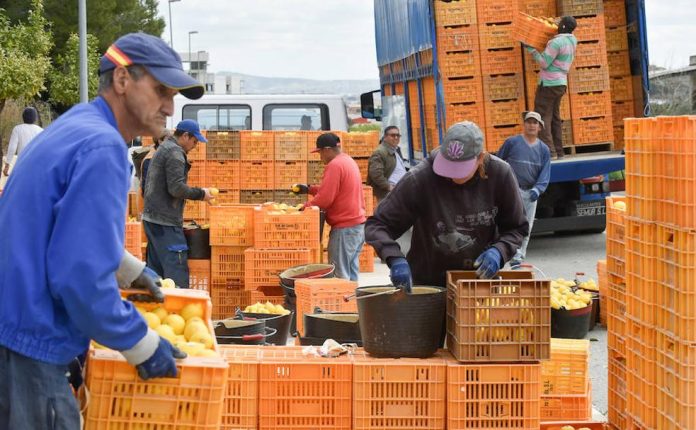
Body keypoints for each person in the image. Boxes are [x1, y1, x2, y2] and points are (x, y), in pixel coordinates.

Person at [0, 32, 205, 429]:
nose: (169, 105)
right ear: (122, 80)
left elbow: (60, 228)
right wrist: (140, 344)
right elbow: (80, 275)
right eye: (161, 89)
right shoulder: (103, 148)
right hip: (31, 340)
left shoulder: (77, 125)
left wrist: (125, 267)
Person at [365, 121, 528, 290]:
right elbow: (378, 225)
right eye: (449, 166)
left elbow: (517, 227)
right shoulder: (421, 178)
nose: (452, 176)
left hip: (479, 284)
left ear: (480, 158)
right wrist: (394, 257)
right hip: (428, 284)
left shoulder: (500, 174)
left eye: (460, 169)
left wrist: (500, 251)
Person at [142, 119, 213, 288]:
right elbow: (176, 188)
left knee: (157, 273)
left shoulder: (164, 148)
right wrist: (201, 194)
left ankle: (158, 309)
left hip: (152, 219)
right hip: (165, 222)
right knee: (176, 273)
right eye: (195, 141)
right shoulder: (175, 153)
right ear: (185, 136)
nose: (195, 146)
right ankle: (178, 309)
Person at [291, 132, 366, 280]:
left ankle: (342, 302)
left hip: (344, 229)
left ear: (327, 149)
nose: (320, 157)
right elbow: (335, 190)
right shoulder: (347, 161)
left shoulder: (335, 165)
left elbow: (325, 199)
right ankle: (352, 302)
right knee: (350, 273)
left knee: (339, 275)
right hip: (356, 226)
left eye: (320, 153)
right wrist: (310, 189)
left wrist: (304, 207)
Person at [497, 111, 551, 267]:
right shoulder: (512, 142)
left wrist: (538, 189)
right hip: (511, 190)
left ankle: (517, 258)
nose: (532, 125)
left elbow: (545, 173)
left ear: (539, 127)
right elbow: (499, 162)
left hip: (530, 193)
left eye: (535, 123)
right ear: (524, 124)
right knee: (504, 223)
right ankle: (501, 253)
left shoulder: (543, 150)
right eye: (529, 122)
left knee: (525, 226)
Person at [525, 16, 577, 159]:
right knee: (554, 117)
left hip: (549, 84)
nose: (556, 23)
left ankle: (550, 152)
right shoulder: (572, 40)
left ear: (564, 27)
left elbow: (544, 63)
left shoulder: (556, 42)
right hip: (561, 84)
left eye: (560, 22)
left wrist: (531, 49)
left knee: (542, 117)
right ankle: (559, 151)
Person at [367, 126, 409, 203]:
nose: (396, 137)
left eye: (398, 135)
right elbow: (376, 174)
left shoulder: (395, 150)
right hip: (388, 195)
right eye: (392, 135)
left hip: (397, 193)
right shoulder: (379, 152)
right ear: (385, 137)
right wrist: (389, 187)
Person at [3, 107, 43, 176]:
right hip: (37, 164)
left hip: (22, 164)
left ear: (23, 117)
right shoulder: (41, 130)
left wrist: (7, 165)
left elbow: (12, 148)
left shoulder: (17, 129)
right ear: (35, 118)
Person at [139, 128, 172, 195]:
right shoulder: (150, 159)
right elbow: (147, 187)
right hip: (149, 203)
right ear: (160, 141)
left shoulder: (162, 155)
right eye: (169, 140)